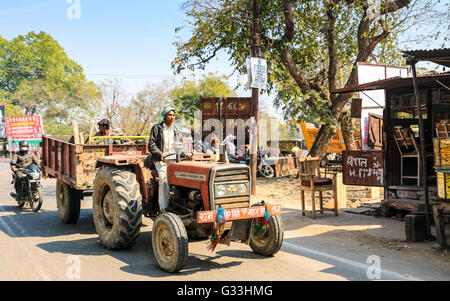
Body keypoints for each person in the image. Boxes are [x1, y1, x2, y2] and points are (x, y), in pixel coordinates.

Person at [148, 107, 191, 212]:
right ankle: (163, 207)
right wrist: (160, 154)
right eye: (169, 115)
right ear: (164, 116)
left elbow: (181, 145)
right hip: (160, 159)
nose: (172, 117)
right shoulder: (157, 128)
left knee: (185, 176)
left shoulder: (176, 130)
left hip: (174, 158)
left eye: (173, 115)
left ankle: (183, 204)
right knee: (164, 179)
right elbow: (151, 145)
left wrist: (186, 153)